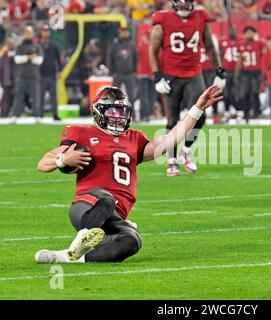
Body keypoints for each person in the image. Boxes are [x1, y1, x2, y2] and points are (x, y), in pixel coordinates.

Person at [35, 85, 223, 263]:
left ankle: (69, 257)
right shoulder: (80, 133)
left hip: (115, 215)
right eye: (112, 111)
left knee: (132, 242)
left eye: (122, 111)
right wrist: (62, 160)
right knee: (106, 199)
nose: (118, 116)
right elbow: (43, 164)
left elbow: (171, 139)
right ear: (99, 111)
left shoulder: (134, 138)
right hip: (87, 207)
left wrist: (196, 110)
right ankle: (81, 238)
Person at [149, 0, 226, 176]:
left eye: (187, 3)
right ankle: (171, 161)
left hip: (193, 73)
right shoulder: (163, 18)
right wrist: (157, 75)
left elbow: (210, 46)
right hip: (170, 74)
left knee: (200, 115)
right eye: (181, 3)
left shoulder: (200, 17)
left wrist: (219, 70)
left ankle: (187, 150)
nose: (184, 7)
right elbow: (153, 49)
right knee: (172, 120)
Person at [9, 26, 44, 123]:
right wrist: (30, 57)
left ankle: (38, 116)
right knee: (18, 96)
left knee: (36, 96)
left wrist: (25, 58)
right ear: (24, 34)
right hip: (21, 76)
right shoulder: (20, 46)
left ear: (33, 34)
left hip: (34, 76)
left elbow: (39, 60)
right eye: (27, 33)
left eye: (30, 33)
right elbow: (17, 60)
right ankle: (15, 115)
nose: (28, 35)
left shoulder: (37, 46)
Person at [234, 26, 265, 122]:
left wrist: (262, 72)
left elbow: (264, 56)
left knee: (255, 93)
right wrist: (237, 74)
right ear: (244, 34)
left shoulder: (259, 43)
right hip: (245, 72)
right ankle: (246, 115)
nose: (249, 34)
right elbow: (239, 60)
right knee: (245, 94)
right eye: (247, 32)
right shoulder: (240, 44)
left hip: (256, 72)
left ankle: (256, 114)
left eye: (251, 32)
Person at [106, 26, 137, 113]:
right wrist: (112, 72)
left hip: (129, 74)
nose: (124, 34)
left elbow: (135, 59)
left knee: (131, 96)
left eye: (126, 32)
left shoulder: (131, 46)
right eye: (123, 32)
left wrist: (134, 71)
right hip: (118, 74)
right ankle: (111, 113)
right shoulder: (114, 46)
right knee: (114, 96)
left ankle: (132, 114)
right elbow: (109, 60)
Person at [39, 24, 62, 121]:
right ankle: (40, 114)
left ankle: (55, 114)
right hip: (41, 74)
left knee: (53, 96)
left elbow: (58, 59)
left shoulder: (53, 45)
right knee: (40, 95)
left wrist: (59, 70)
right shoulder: (38, 46)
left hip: (52, 74)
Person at [136, 29, 156, 122]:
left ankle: (149, 114)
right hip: (143, 74)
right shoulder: (141, 47)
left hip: (150, 74)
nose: (142, 38)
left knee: (151, 96)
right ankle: (144, 115)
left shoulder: (150, 47)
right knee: (144, 96)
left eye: (144, 36)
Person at [0, 34, 16, 117]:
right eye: (8, 43)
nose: (9, 45)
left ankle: (14, 112)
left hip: (15, 79)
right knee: (6, 97)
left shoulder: (16, 54)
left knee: (15, 96)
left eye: (11, 43)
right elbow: (1, 68)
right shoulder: (3, 55)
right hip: (6, 79)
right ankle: (5, 112)